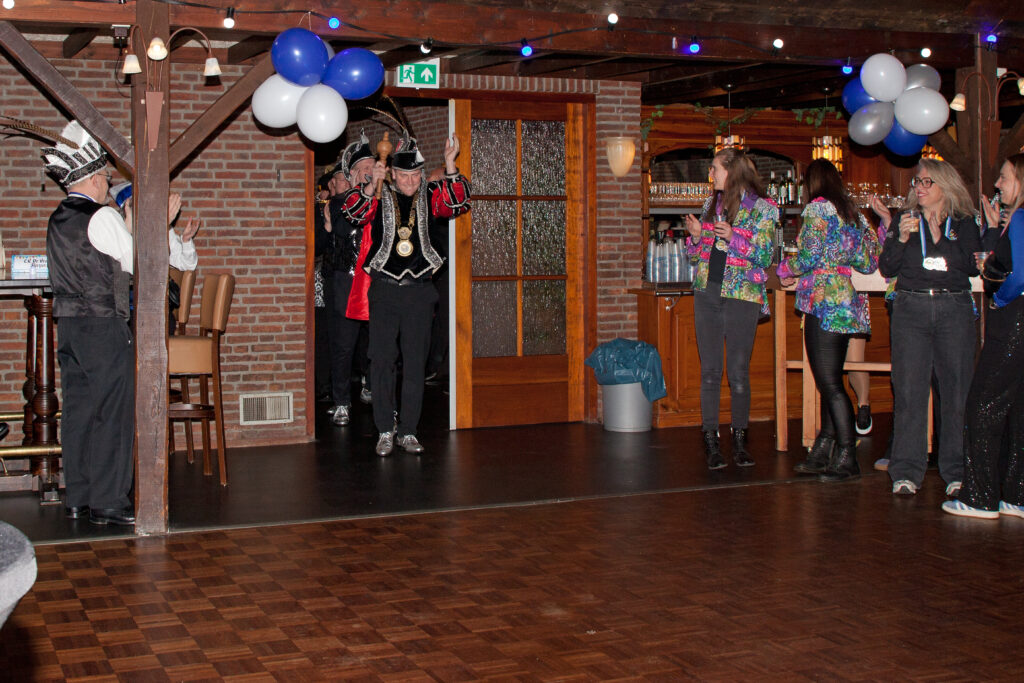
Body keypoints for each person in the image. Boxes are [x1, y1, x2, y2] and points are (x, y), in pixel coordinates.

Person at [42, 120, 196, 526]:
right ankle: (108, 500)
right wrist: (161, 223)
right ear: (93, 179)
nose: (107, 186)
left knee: (78, 412)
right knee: (113, 411)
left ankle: (78, 497)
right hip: (102, 326)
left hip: (69, 328)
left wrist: (129, 230)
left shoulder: (59, 218)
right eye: (105, 180)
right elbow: (142, 263)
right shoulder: (101, 216)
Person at [339, 134, 470, 456]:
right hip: (384, 291)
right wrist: (372, 183)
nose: (410, 181)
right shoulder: (379, 194)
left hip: (420, 293)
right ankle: (385, 428)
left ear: (421, 174)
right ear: (393, 174)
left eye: (415, 175)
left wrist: (450, 163)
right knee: (382, 362)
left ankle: (409, 430)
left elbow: (458, 203)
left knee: (414, 364)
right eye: (404, 175)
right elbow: (353, 213)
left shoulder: (431, 195)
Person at [876, 159, 982, 496]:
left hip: (954, 308)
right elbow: (886, 266)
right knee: (909, 391)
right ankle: (906, 472)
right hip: (911, 308)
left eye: (926, 182)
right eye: (916, 182)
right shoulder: (904, 220)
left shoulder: (963, 221)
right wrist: (901, 238)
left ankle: (957, 472)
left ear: (945, 186)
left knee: (956, 392)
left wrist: (940, 238)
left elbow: (971, 266)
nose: (919, 188)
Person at [777, 159, 880, 481]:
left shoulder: (818, 209)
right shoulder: (852, 213)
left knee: (830, 384)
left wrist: (784, 269)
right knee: (831, 379)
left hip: (822, 301)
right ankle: (824, 448)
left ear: (812, 183)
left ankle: (847, 455)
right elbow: (868, 261)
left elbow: (808, 256)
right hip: (845, 301)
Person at [683, 148, 777, 469]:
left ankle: (739, 440)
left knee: (738, 372)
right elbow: (695, 255)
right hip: (707, 292)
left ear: (731, 171)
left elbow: (764, 256)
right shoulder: (711, 204)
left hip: (742, 294)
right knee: (710, 372)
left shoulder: (763, 208)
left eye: (714, 169)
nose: (711, 174)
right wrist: (697, 238)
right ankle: (710, 440)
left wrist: (734, 237)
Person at [944, 154, 1024, 518]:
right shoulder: (1014, 220)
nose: (997, 184)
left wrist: (1000, 297)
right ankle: (1016, 494)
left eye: (1004, 177)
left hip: (1014, 320)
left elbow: (1017, 276)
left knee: (982, 404)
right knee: (1017, 406)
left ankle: (980, 496)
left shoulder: (1020, 218)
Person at [322, 134, 377, 426]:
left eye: (372, 166)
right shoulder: (339, 203)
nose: (369, 171)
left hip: (375, 281)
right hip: (347, 281)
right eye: (364, 167)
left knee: (376, 342)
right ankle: (342, 400)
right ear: (353, 174)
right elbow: (344, 229)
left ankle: (373, 388)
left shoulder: (383, 202)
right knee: (344, 344)